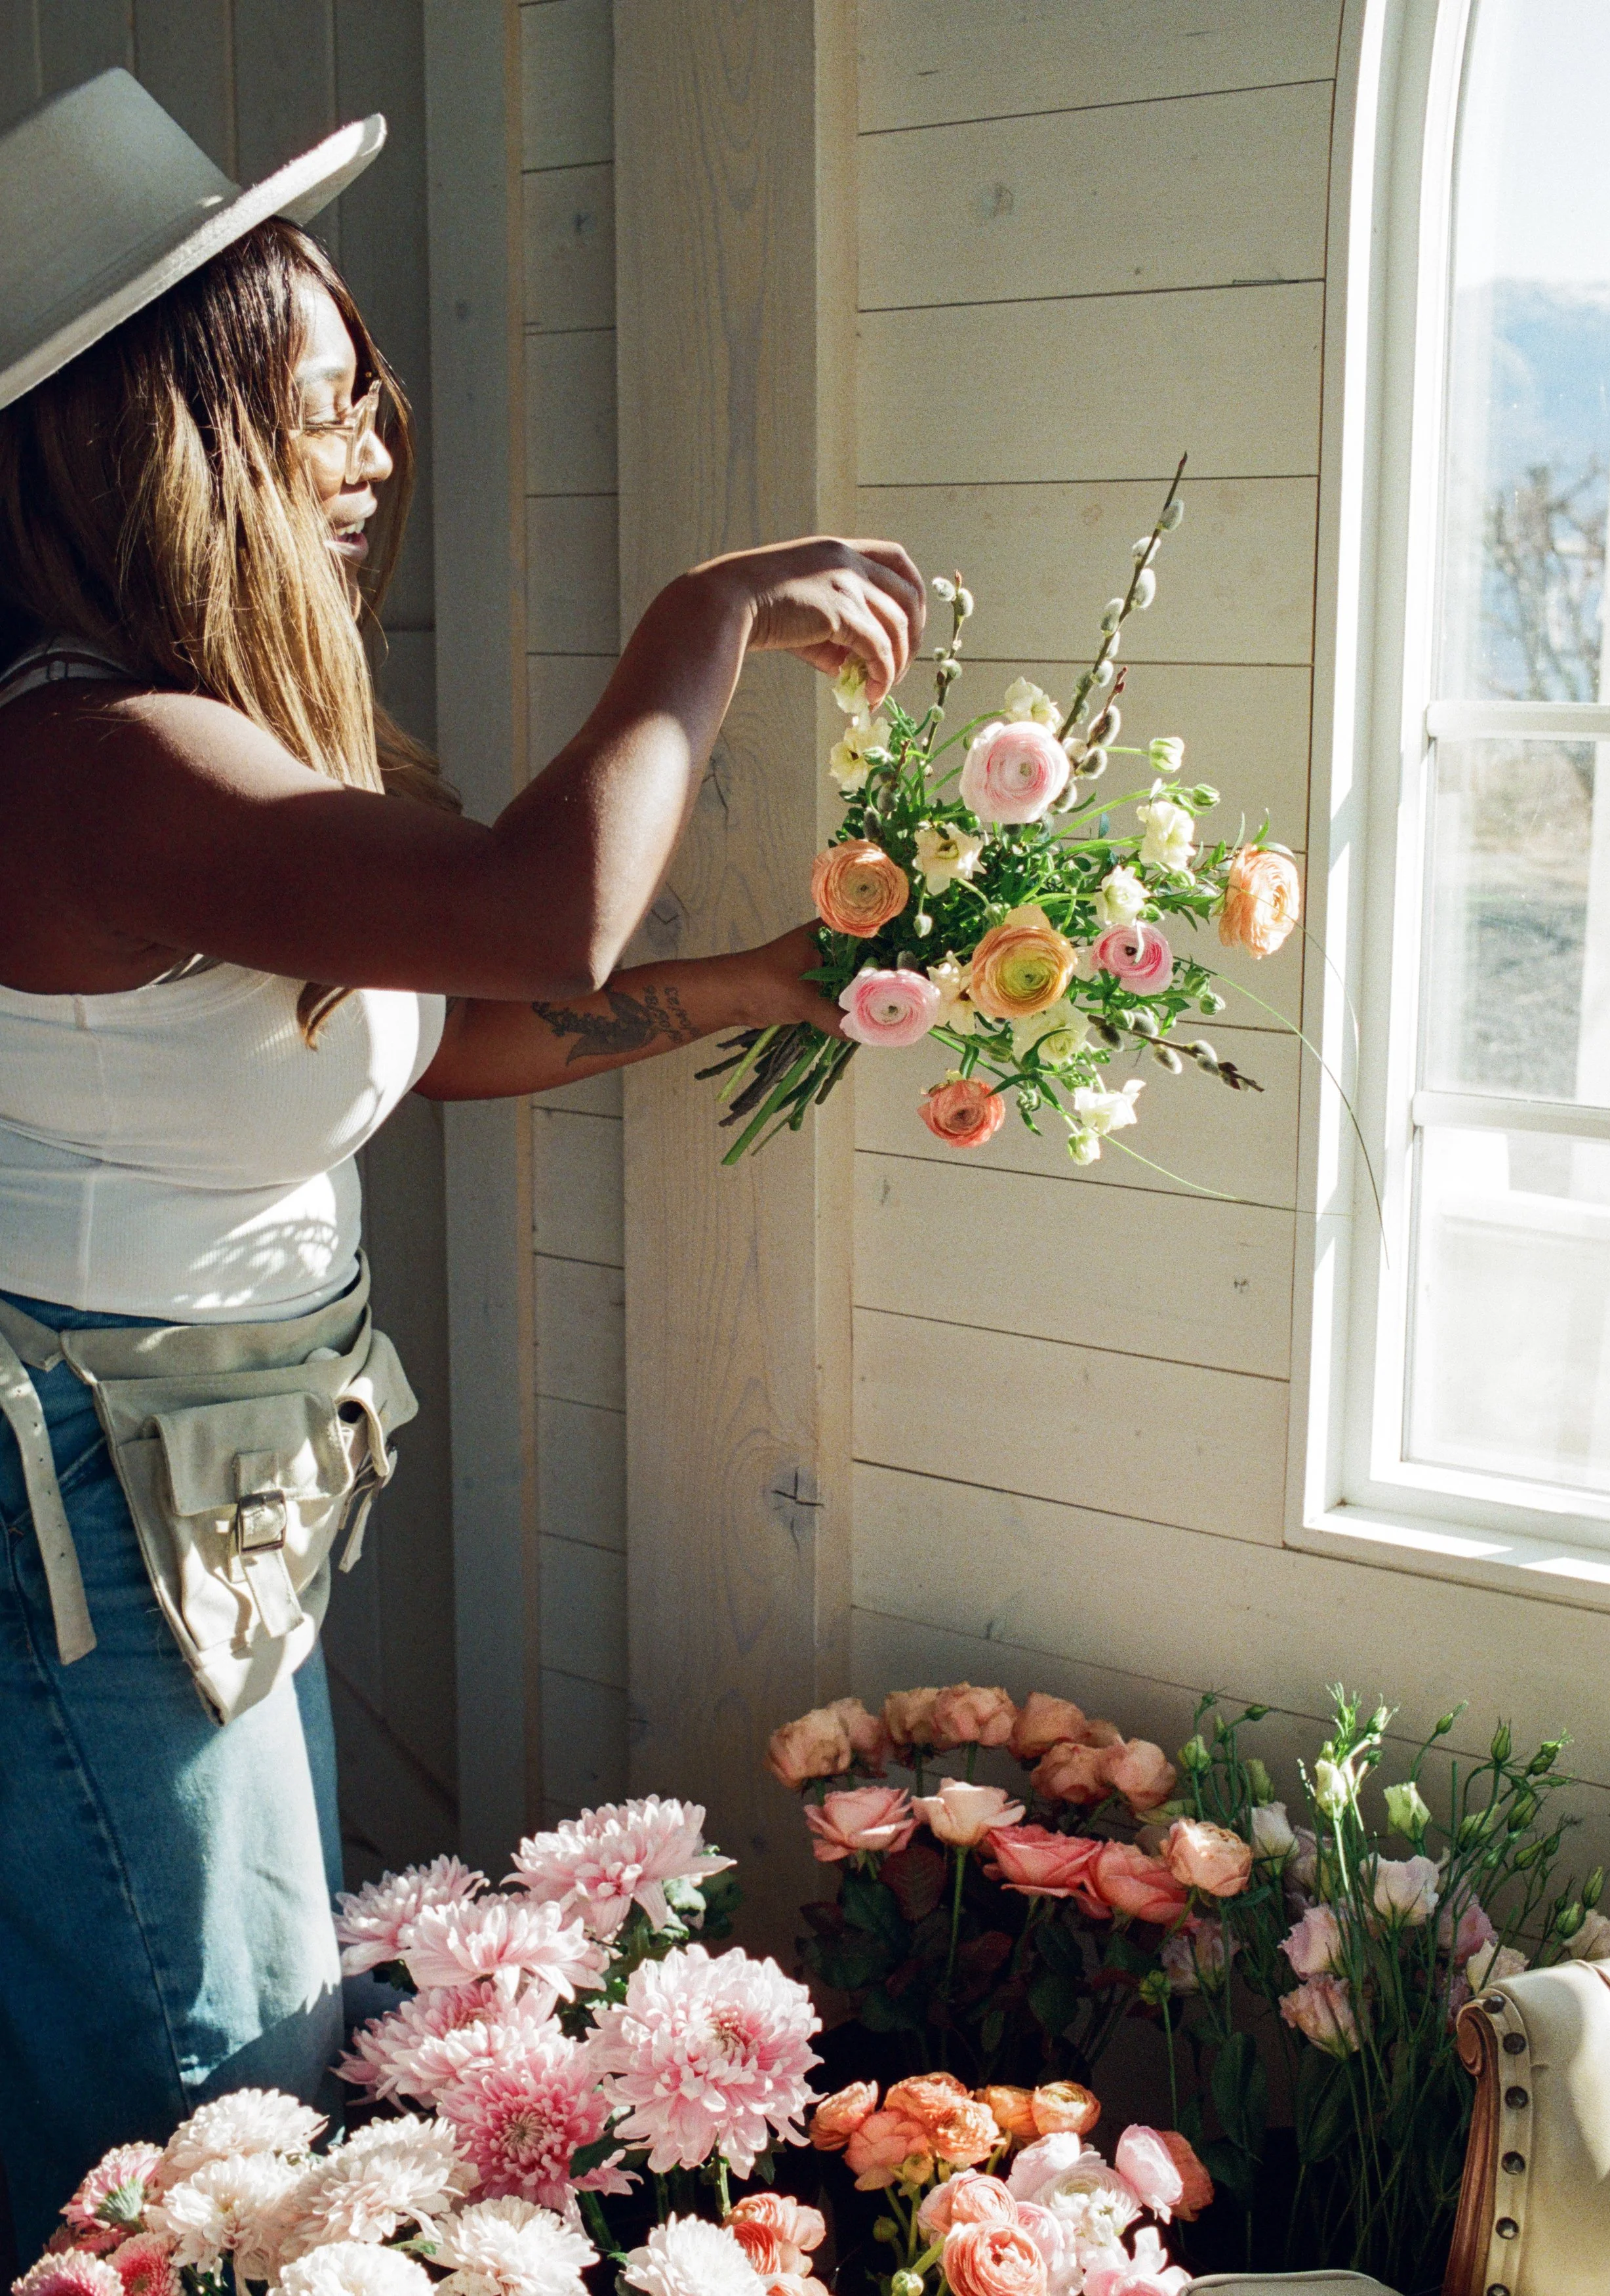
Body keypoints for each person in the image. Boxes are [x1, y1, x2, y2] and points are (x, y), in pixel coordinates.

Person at [0, 73, 925, 2251]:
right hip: (93, 1531)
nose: (380, 442)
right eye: (329, 399)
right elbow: (536, 908)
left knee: (233, 2063)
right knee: (189, 2099)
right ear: (180, 431)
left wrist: (764, 983)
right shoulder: (88, 755)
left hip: (219, 1504)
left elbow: (411, 1039)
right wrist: (700, 617)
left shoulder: (180, 726)